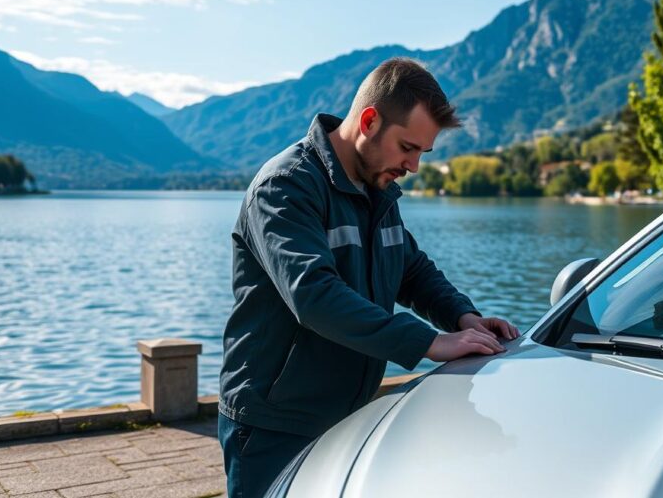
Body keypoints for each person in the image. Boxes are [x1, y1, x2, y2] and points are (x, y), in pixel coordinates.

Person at [218, 57, 520, 497]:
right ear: (370, 121)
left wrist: (461, 317)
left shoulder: (375, 188)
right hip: (273, 425)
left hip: (347, 417)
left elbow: (411, 269)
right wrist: (429, 343)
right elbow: (315, 296)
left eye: (422, 152)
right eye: (408, 147)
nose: (414, 166)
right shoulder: (284, 188)